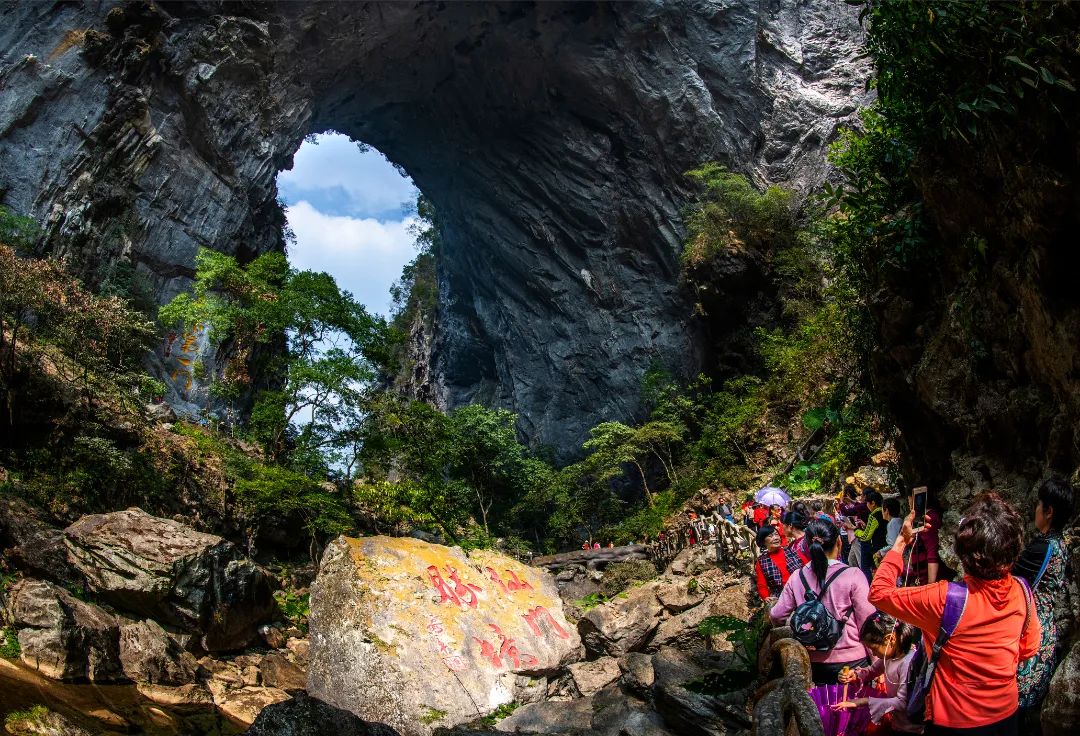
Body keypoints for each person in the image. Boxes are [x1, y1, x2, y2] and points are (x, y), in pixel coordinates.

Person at [869, 492, 1040, 735]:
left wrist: (900, 543)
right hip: (1006, 716)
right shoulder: (1023, 590)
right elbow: (1029, 648)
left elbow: (878, 593)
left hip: (955, 720)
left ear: (963, 552)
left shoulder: (944, 598)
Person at [770, 518, 876, 684]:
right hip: (852, 662)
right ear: (839, 542)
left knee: (821, 708)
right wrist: (877, 665)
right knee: (853, 709)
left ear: (807, 547)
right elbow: (868, 621)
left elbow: (776, 615)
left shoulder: (797, 577)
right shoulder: (853, 575)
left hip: (813, 662)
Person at [1013, 477, 1075, 719]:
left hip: (1029, 636)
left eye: (1039, 505)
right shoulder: (1060, 545)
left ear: (1048, 512)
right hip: (1047, 633)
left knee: (1013, 710)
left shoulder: (1041, 549)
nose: (1036, 509)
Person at [836, 612, 923, 734]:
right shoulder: (890, 657)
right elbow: (871, 671)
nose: (874, 654)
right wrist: (854, 675)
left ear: (890, 639)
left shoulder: (907, 663)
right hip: (897, 723)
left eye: (874, 648)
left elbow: (902, 702)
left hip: (912, 728)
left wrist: (863, 701)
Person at [754, 524, 803, 601]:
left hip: (802, 589)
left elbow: (808, 567)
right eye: (770, 536)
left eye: (776, 534)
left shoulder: (792, 551)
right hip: (781, 597)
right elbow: (761, 584)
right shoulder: (761, 561)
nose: (776, 538)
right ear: (763, 541)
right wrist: (765, 596)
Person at [852, 490, 886, 581]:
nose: (866, 505)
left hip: (877, 549)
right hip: (885, 546)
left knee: (866, 568)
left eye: (867, 502)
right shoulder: (884, 512)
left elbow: (865, 536)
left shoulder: (874, 515)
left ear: (873, 503)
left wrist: (855, 530)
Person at [875, 497, 903, 566]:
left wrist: (880, 552)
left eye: (882, 509)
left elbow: (893, 544)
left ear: (886, 510)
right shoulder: (899, 520)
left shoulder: (892, 523)